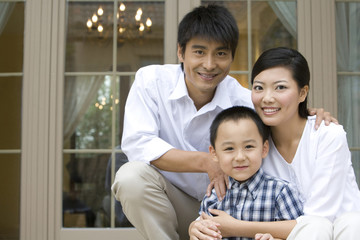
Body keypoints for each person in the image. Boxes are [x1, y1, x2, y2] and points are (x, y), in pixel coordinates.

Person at [111, 5, 334, 240]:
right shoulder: (151, 81)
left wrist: (306, 113)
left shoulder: (244, 101)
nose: (209, 64)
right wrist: (207, 161)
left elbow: (278, 112)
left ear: (231, 57)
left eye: (220, 53)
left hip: (230, 211)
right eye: (199, 52)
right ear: (180, 52)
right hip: (173, 203)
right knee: (130, 178)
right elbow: (138, 144)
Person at [195, 47, 360, 240]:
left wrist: (235, 227)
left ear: (302, 93)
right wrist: (196, 225)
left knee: (346, 222)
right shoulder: (254, 145)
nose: (267, 98)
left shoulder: (327, 136)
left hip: (343, 234)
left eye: (280, 87)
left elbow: (317, 220)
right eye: (258, 87)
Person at [189, 106, 303, 240]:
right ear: (214, 153)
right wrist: (195, 230)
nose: (240, 157)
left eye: (249, 147)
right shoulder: (213, 197)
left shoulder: (280, 192)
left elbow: (300, 233)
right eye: (229, 148)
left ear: (264, 149)